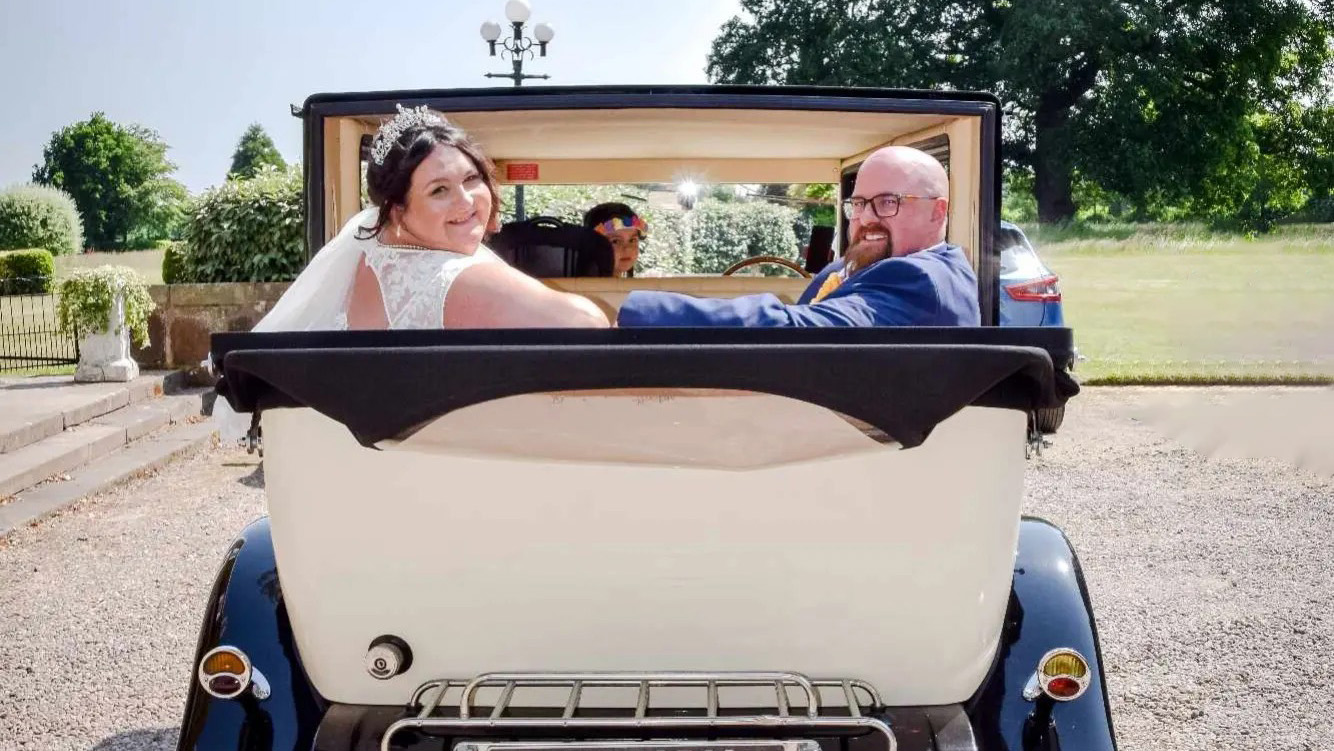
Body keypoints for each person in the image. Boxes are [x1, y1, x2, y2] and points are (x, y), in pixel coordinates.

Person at [213, 104, 608, 438]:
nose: (467, 201)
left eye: (472, 179)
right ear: (398, 210)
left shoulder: (372, 258)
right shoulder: (449, 276)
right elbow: (587, 323)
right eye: (439, 190)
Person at [615, 145, 980, 327]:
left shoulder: (919, 278)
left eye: (888, 202)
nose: (866, 218)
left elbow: (798, 332)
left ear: (938, 211)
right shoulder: (869, 265)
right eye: (859, 203)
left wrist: (625, 315)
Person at [583, 202, 647, 277]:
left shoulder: (632, 287)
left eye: (632, 240)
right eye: (615, 241)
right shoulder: (581, 287)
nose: (627, 249)